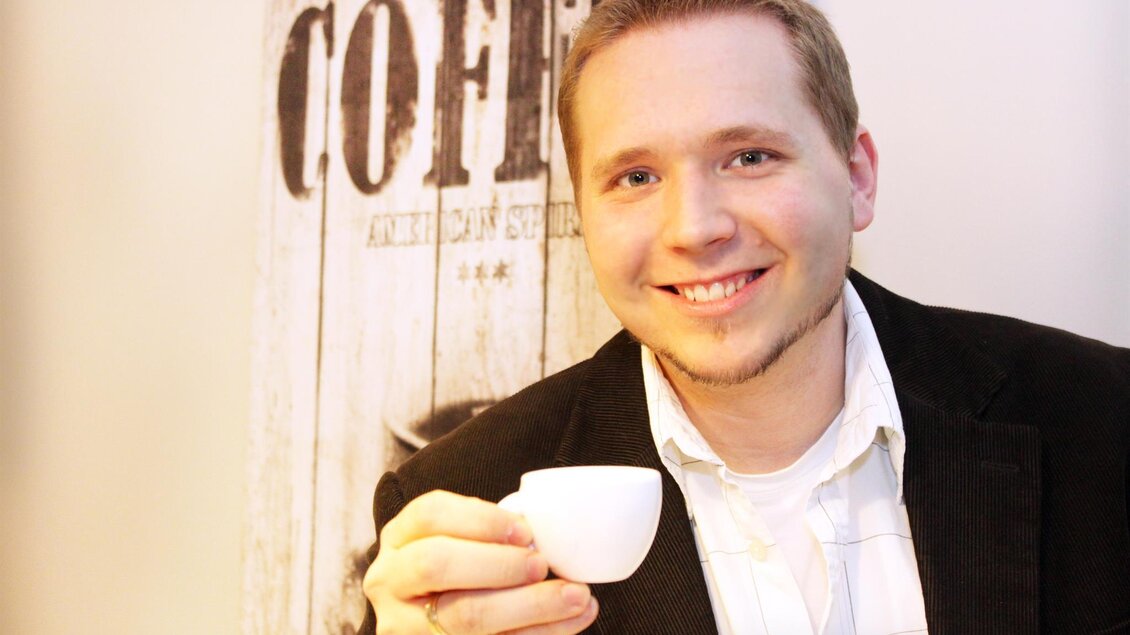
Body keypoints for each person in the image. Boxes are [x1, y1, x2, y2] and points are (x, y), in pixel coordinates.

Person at [359, 0, 1130, 633]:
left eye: (749, 157)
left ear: (857, 177)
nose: (694, 228)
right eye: (635, 175)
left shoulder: (1103, 420)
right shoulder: (466, 500)